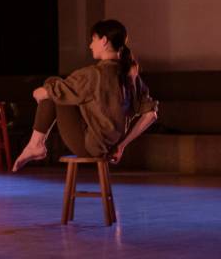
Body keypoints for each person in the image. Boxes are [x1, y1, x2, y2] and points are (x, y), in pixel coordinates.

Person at [11, 19, 160, 172]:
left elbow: (42, 93)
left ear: (104, 41)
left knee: (52, 83)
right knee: (58, 90)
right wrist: (121, 145)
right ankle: (35, 145)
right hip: (109, 147)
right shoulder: (132, 76)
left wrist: (40, 94)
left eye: (93, 40)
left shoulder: (94, 75)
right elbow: (151, 115)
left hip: (88, 146)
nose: (90, 45)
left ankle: (35, 144)